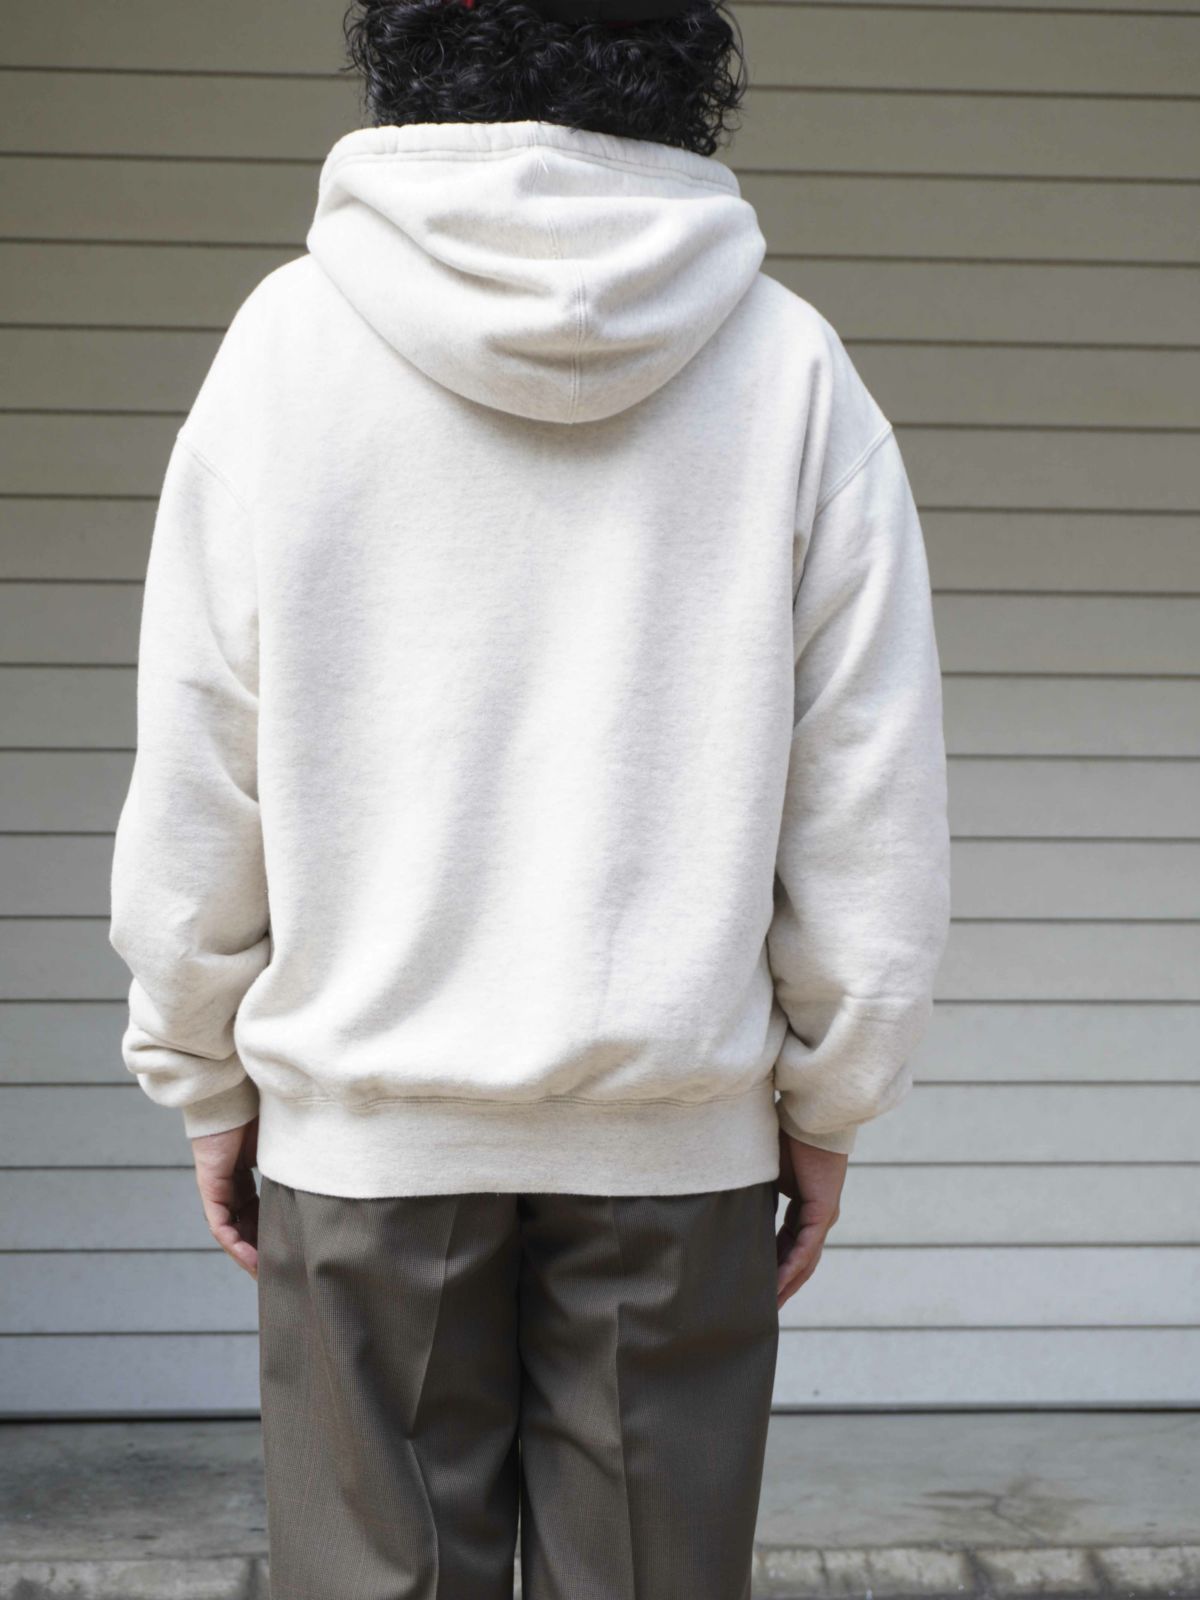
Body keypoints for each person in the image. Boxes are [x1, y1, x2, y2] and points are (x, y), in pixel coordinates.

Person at [107, 0, 951, 1591]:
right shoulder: (790, 366)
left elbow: (204, 751)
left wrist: (202, 1066)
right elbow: (867, 792)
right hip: (675, 1144)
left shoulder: (288, 348)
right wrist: (834, 1100)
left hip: (366, 1137)